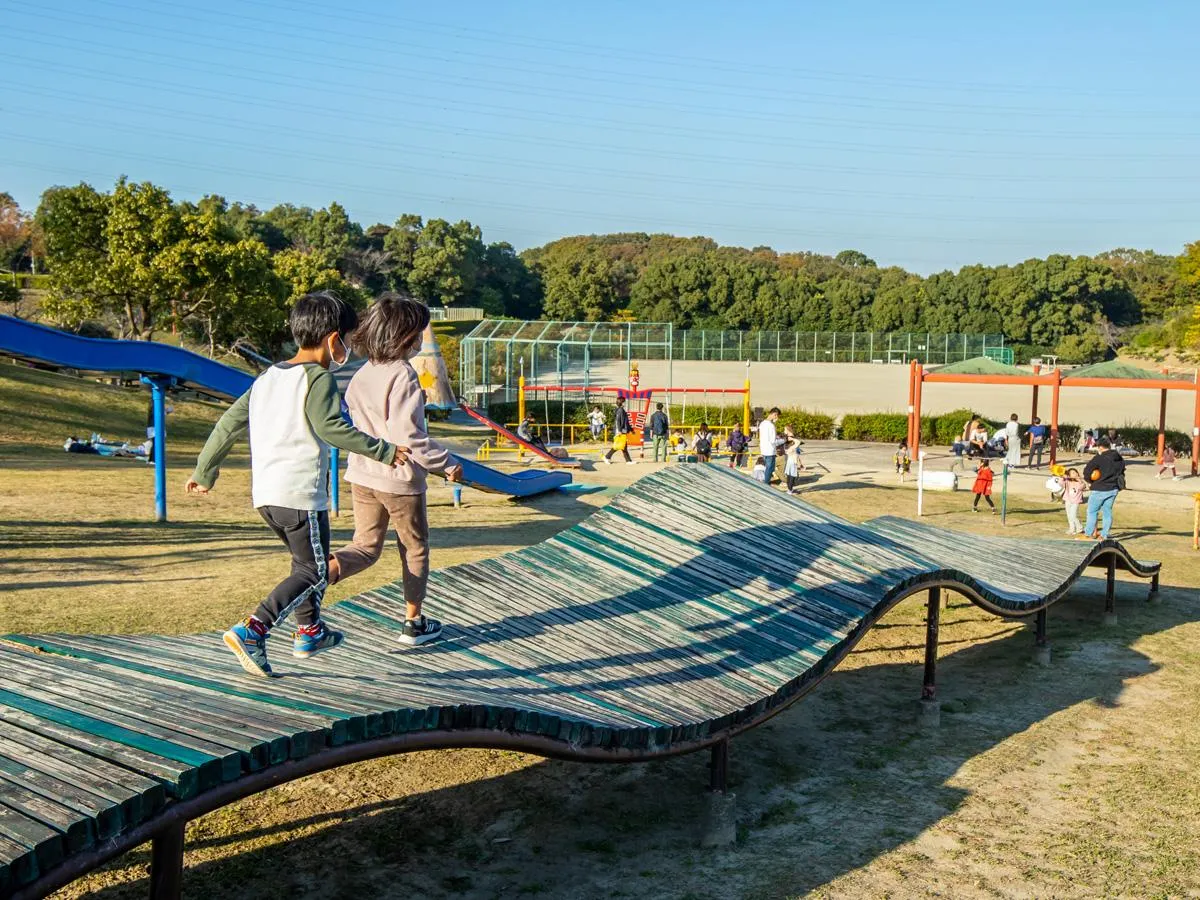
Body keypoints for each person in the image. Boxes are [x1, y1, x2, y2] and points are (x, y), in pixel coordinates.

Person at [186, 291, 407, 677]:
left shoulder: (268, 378)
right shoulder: (318, 378)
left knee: (303, 563)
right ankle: (254, 629)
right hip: (301, 493)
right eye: (349, 341)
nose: (349, 350)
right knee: (316, 572)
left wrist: (205, 470)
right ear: (333, 339)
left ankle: (310, 631)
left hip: (267, 496)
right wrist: (384, 450)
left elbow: (230, 423)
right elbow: (331, 428)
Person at [326, 292, 465, 647]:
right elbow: (410, 437)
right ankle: (413, 621)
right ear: (405, 337)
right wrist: (447, 464)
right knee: (414, 548)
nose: (420, 339)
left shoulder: (363, 374)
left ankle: (320, 574)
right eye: (418, 333)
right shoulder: (403, 375)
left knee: (365, 547)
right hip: (399, 479)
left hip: (362, 474)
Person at [1082, 435, 1126, 540]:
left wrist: (1089, 481)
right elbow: (1122, 471)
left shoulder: (1100, 458)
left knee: (1092, 511)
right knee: (1107, 512)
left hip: (1100, 488)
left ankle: (1088, 533)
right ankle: (1104, 534)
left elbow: (1087, 471)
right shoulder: (1119, 458)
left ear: (1100, 447)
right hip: (1114, 488)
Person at [603, 397, 635, 465]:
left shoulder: (621, 410)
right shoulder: (620, 410)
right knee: (618, 446)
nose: (625, 403)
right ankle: (607, 457)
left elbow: (626, 422)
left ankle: (628, 461)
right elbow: (618, 421)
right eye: (624, 401)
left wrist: (631, 429)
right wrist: (620, 430)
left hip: (621, 430)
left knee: (623, 446)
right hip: (620, 430)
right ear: (622, 402)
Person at [758, 407, 781, 484]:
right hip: (770, 450)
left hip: (763, 449)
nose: (777, 418)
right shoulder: (771, 426)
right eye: (777, 416)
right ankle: (766, 483)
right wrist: (783, 440)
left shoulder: (762, 423)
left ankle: (766, 481)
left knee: (766, 467)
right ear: (774, 414)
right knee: (770, 468)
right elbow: (773, 441)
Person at [1061, 467, 1086, 535]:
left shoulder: (1080, 482)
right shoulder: (1067, 481)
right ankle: (1072, 529)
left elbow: (1083, 486)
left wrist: (1079, 479)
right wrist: (1063, 478)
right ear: (1069, 475)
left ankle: (1080, 527)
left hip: (1075, 502)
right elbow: (1061, 484)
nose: (1074, 474)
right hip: (1068, 500)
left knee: (1073, 515)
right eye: (1072, 473)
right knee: (1069, 516)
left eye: (1075, 472)